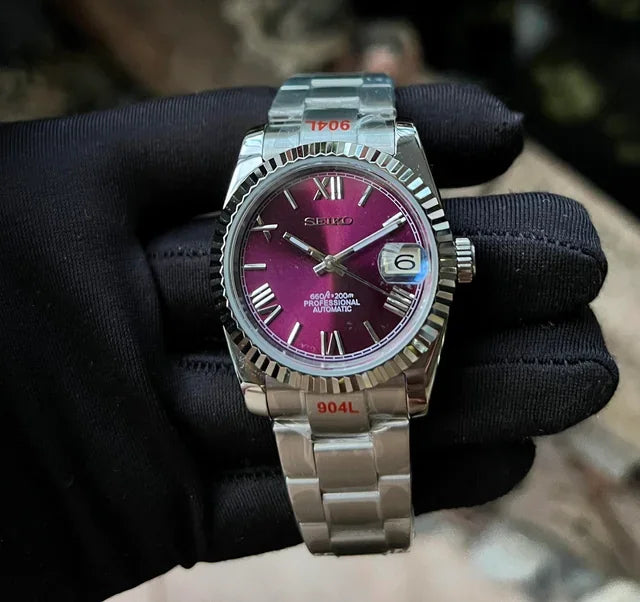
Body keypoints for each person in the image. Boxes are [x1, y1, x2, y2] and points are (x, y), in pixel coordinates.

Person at [0, 83, 618, 601]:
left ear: (455, 262)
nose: (329, 265)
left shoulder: (420, 247)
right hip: (305, 355)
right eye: (319, 258)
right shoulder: (251, 261)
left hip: (366, 351)